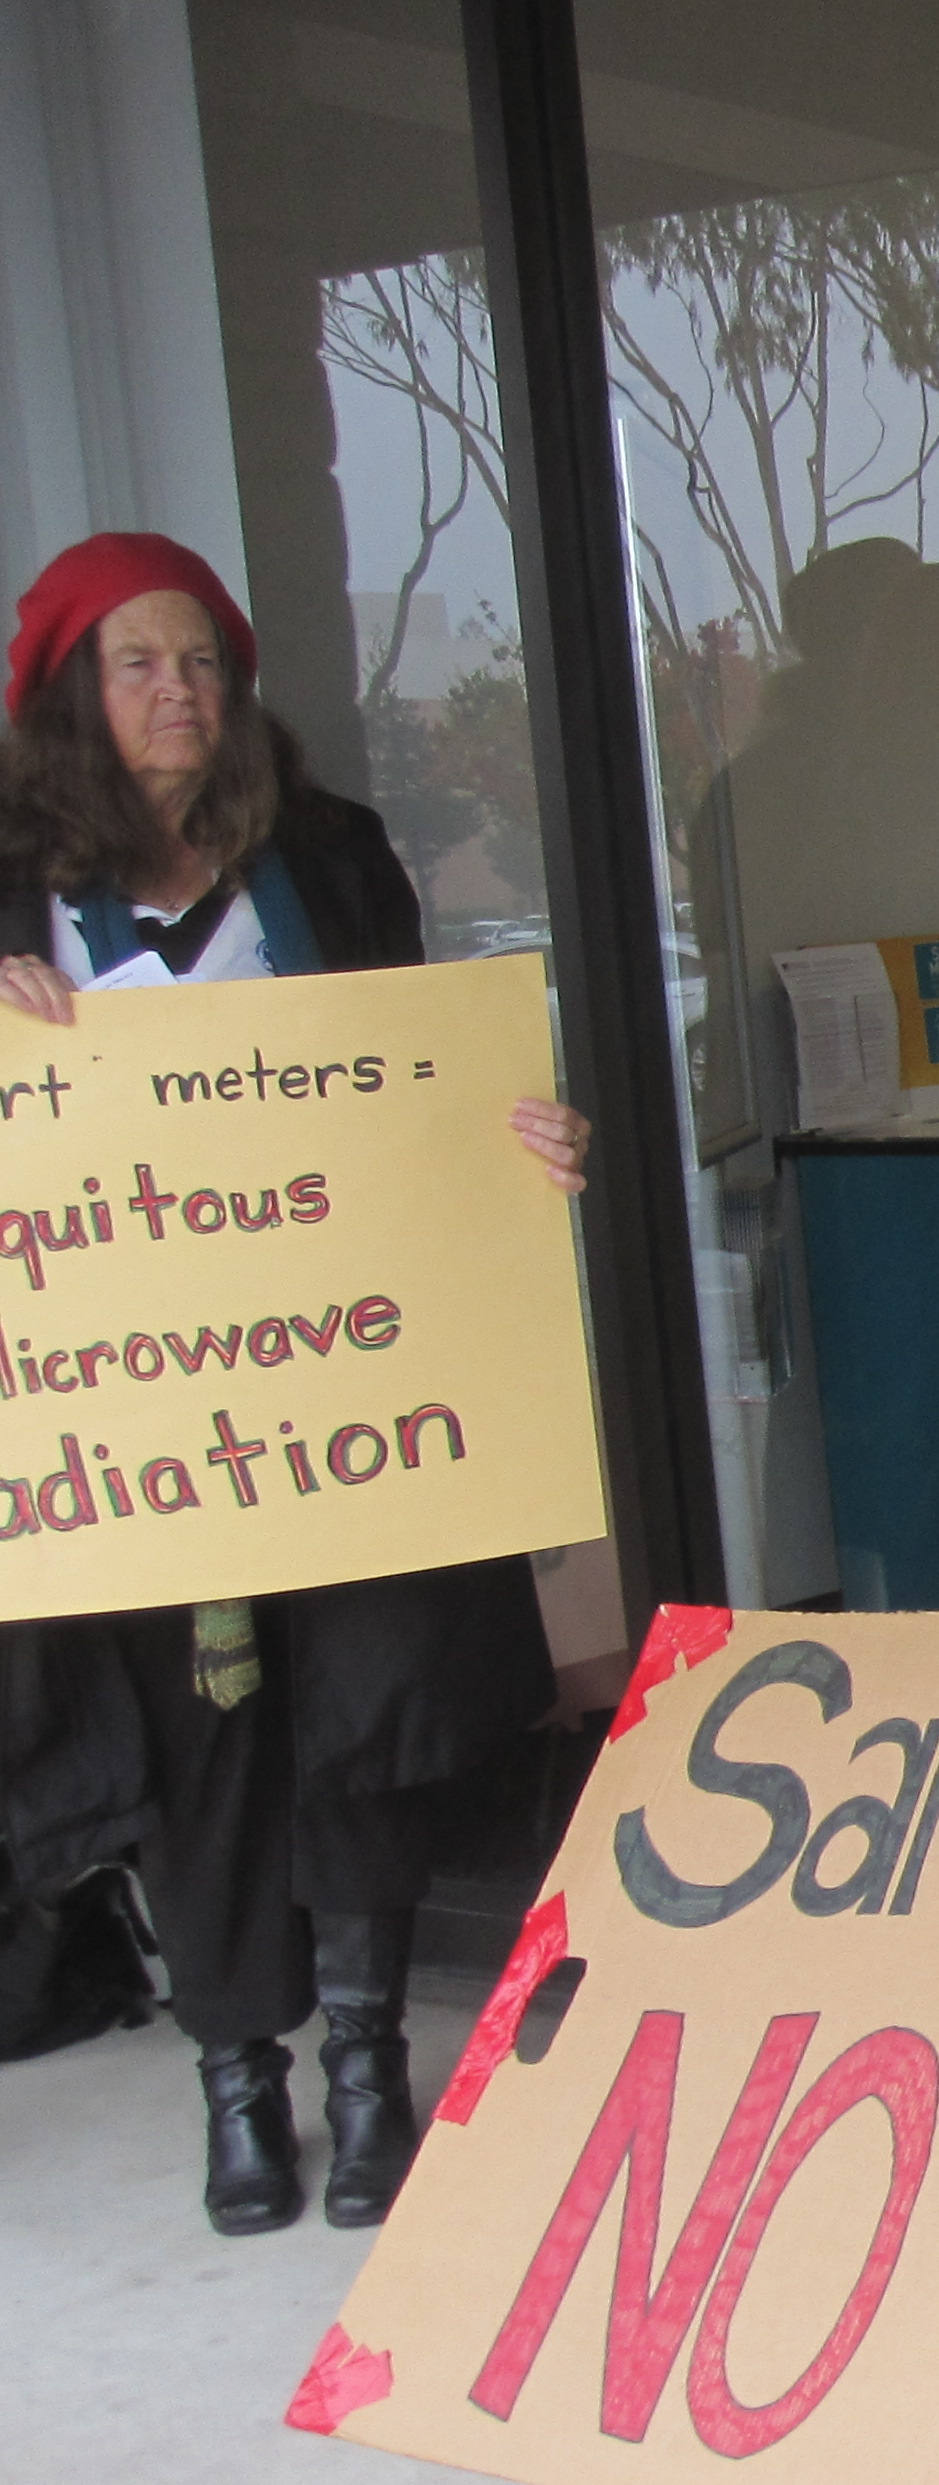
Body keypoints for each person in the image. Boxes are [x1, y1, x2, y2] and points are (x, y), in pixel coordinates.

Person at [0, 530, 589, 2235]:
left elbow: (417, 1076)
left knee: (365, 1711)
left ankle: (367, 2064)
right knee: (195, 1747)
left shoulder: (325, 856)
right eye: (137, 663)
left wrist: (515, 1137)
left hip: (343, 1388)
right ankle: (238, 2079)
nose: (177, 691)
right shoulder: (9, 879)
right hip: (136, 1409)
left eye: (201, 661)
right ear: (72, 693)